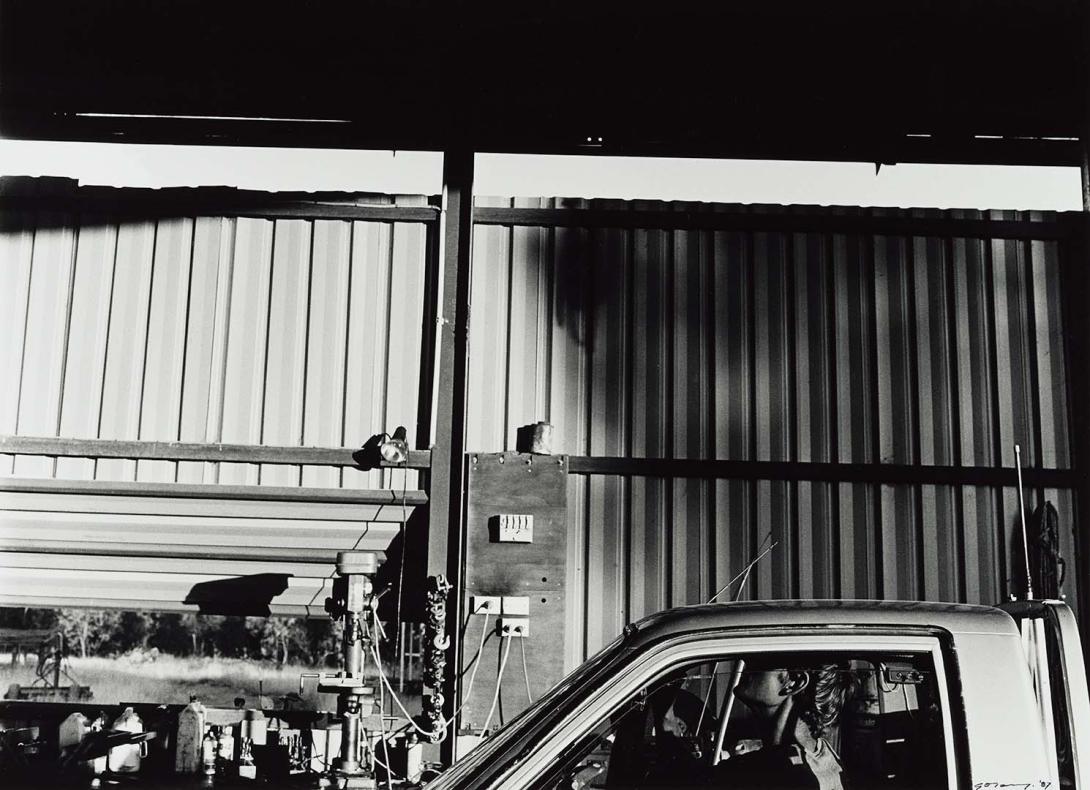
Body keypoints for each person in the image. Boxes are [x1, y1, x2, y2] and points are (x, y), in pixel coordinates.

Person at [707, 657, 858, 790]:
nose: (748, 661)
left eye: (764, 659)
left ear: (794, 683)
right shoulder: (824, 756)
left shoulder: (770, 772)